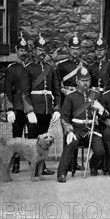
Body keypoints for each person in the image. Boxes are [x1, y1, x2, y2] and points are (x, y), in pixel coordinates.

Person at [56, 66, 105, 182]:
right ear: (77, 81)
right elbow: (65, 116)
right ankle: (62, 173)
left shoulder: (96, 95)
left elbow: (104, 115)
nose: (85, 83)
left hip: (92, 129)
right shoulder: (70, 96)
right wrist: (69, 129)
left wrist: (100, 110)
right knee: (70, 144)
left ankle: (93, 166)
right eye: (83, 81)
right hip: (76, 129)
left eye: (87, 80)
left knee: (100, 151)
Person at [25, 34, 60, 175]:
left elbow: (56, 89)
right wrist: (29, 110)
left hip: (46, 108)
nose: (42, 52)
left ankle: (42, 166)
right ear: (34, 51)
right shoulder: (28, 68)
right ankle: (34, 167)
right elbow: (24, 92)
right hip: (34, 108)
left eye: (43, 50)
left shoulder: (49, 68)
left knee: (44, 140)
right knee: (34, 139)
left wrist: (56, 108)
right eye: (39, 49)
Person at [4, 34, 32, 173]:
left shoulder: (32, 67)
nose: (23, 53)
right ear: (16, 50)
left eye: (25, 50)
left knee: (32, 135)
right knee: (17, 136)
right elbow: (8, 89)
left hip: (31, 106)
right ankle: (15, 164)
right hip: (17, 107)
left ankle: (35, 163)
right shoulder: (11, 68)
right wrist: (9, 109)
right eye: (21, 50)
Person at [55, 33, 83, 100]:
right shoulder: (62, 65)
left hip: (80, 98)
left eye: (77, 49)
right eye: (73, 49)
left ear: (80, 50)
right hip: (66, 98)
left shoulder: (84, 66)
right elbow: (56, 85)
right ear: (68, 49)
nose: (75, 51)